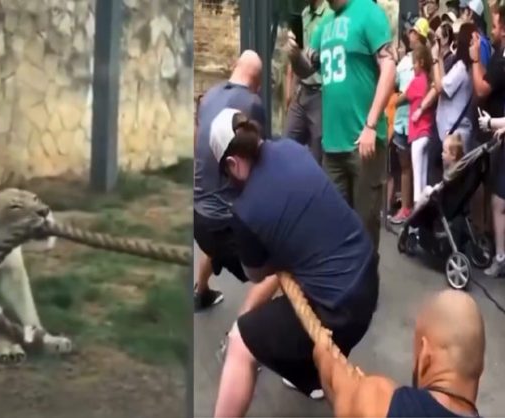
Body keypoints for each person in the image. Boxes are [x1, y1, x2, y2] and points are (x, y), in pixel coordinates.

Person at [209, 108, 379, 417]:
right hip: (367, 277)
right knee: (301, 330)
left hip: (337, 309)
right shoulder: (292, 149)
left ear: (232, 164)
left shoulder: (245, 211)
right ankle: (311, 374)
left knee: (241, 342)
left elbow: (258, 273)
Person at [287, 0, 397, 253]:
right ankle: (342, 286)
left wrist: (371, 125)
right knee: (334, 224)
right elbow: (307, 70)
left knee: (365, 226)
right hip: (332, 144)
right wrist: (294, 56)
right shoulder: (323, 25)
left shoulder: (369, 12)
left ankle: (365, 287)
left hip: (364, 141)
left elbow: (388, 69)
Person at [313, 289, 484, 417]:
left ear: (425, 356)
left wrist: (322, 353)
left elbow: (336, 383)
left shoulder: (381, 402)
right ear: (479, 368)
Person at [193, 50, 266, 310]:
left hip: (198, 219)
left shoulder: (208, 96)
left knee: (215, 245)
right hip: (225, 226)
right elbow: (261, 159)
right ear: (257, 83)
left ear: (235, 67)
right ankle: (239, 339)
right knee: (276, 270)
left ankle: (201, 293)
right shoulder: (252, 104)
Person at [471, 6, 505, 276]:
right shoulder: (498, 55)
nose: (492, 31)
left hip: (498, 131)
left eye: (496, 26)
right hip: (499, 134)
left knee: (499, 201)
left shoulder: (502, 59)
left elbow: (482, 87)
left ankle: (501, 257)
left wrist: (474, 60)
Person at [284, 0, 333, 165]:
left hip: (321, 93)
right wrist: (290, 89)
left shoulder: (330, 14)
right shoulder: (305, 13)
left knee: (317, 155)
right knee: (287, 146)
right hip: (302, 90)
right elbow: (300, 57)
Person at [390, 18, 429, 224]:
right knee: (405, 166)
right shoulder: (405, 61)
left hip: (418, 123)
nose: (410, 35)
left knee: (418, 168)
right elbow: (394, 83)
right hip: (402, 122)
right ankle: (406, 207)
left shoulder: (426, 63)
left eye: (414, 32)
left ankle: (417, 211)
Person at [420, 23, 477, 152]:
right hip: (455, 131)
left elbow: (440, 87)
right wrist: (439, 57)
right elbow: (445, 81)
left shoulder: (461, 68)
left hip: (454, 134)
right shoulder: (467, 67)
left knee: (452, 171)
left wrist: (434, 59)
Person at [399, 43, 434, 206]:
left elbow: (402, 98)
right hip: (427, 132)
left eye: (414, 63)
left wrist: (391, 100)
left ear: (420, 62)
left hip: (417, 134)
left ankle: (416, 225)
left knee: (417, 181)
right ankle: (423, 221)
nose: (412, 67)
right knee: (424, 178)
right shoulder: (428, 80)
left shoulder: (416, 82)